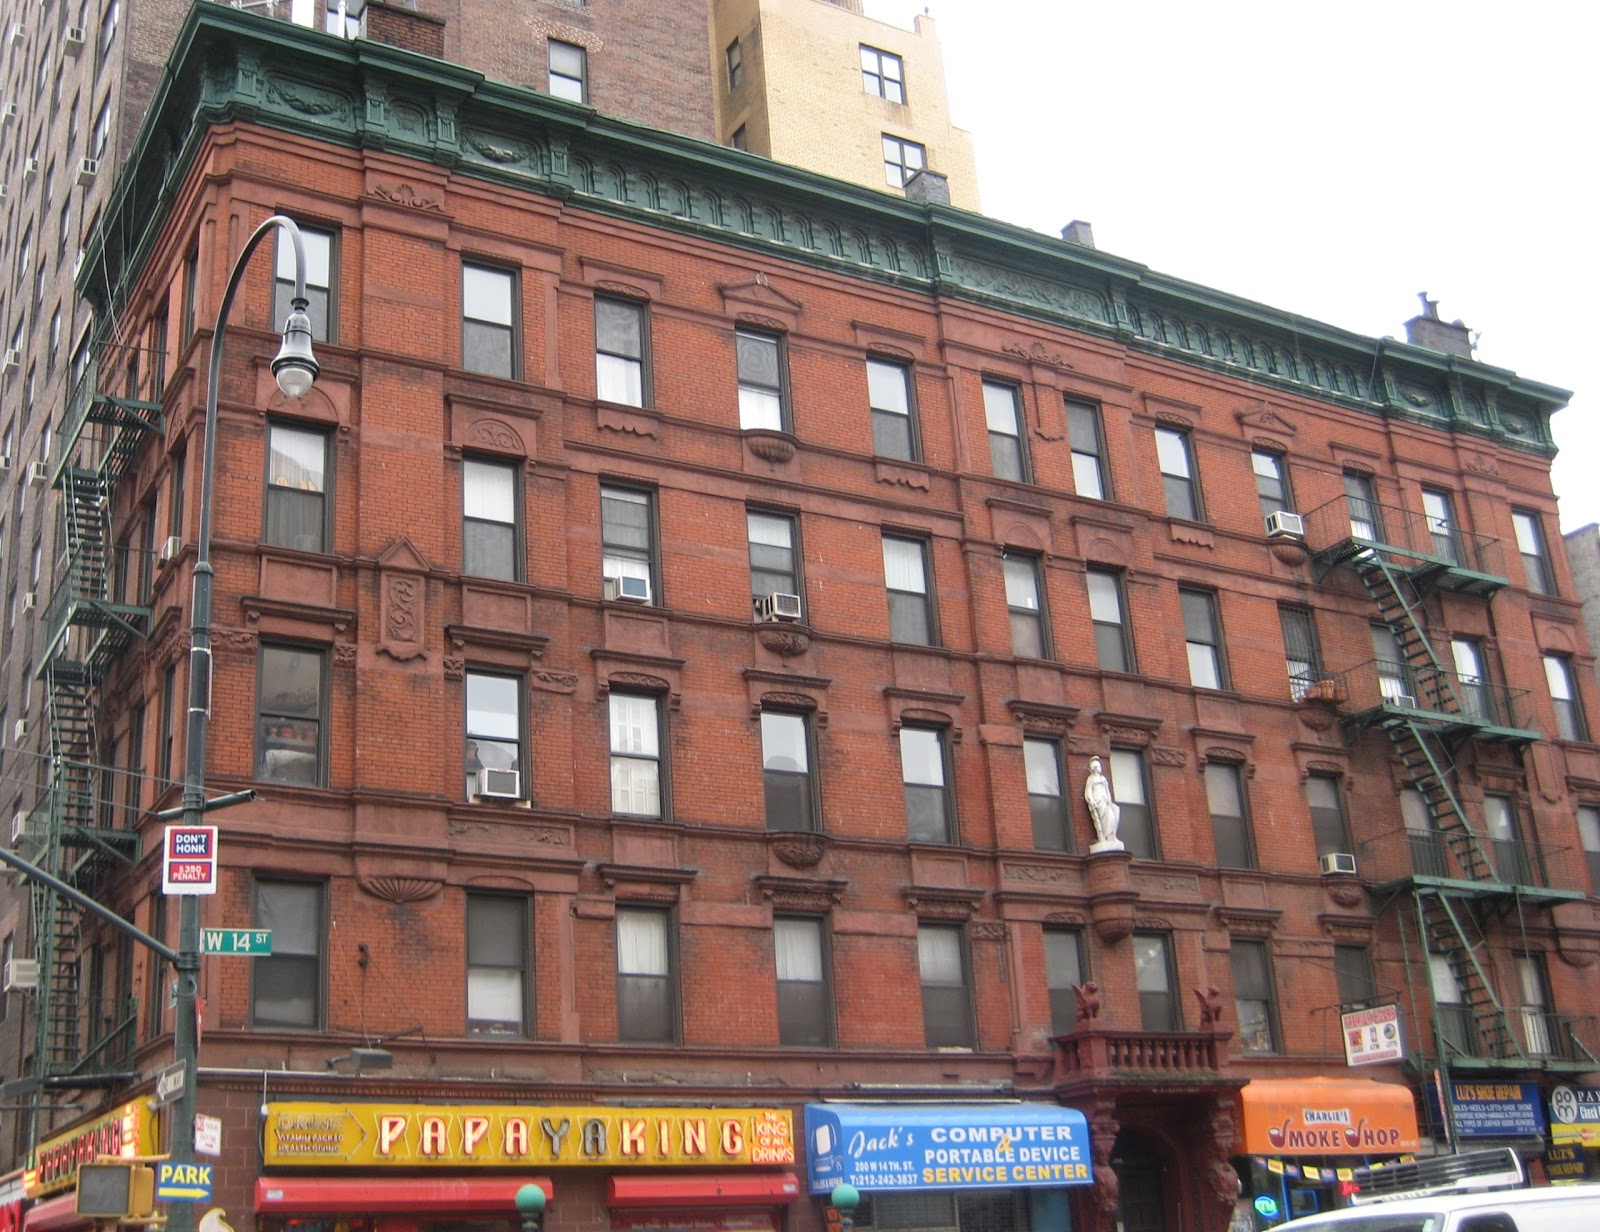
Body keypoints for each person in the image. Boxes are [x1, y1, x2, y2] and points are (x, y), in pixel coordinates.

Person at [1084, 756, 1122, 849]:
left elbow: (1107, 790)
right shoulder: (1091, 779)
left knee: (1112, 816)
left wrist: (1109, 799)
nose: (1100, 768)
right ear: (1095, 768)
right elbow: (1088, 791)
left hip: (1105, 800)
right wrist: (1091, 800)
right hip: (1098, 800)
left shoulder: (1103, 778)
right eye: (1098, 767)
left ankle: (1112, 836)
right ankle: (1104, 836)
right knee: (1103, 819)